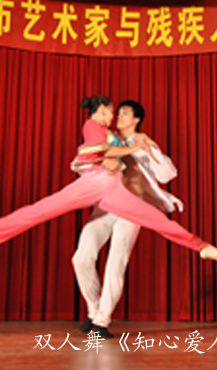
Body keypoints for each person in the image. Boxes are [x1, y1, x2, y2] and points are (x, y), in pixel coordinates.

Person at [0, 95, 217, 266]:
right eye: (112, 111)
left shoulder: (114, 134)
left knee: (157, 220)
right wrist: (128, 149)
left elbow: (125, 156)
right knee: (42, 209)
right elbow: (101, 152)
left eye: (118, 113)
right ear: (100, 111)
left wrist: (144, 146)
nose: (114, 116)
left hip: (112, 186)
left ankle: (202, 246)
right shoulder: (93, 126)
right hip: (93, 183)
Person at [72, 100, 188, 339]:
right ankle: (94, 310)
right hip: (106, 205)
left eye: (125, 113)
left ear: (136, 119)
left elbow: (167, 175)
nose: (119, 116)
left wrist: (150, 147)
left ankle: (102, 321)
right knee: (81, 258)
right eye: (119, 112)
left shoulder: (143, 142)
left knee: (116, 262)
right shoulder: (107, 138)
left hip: (131, 208)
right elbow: (81, 161)